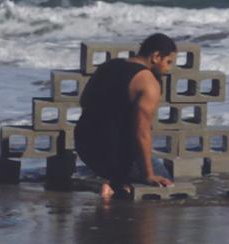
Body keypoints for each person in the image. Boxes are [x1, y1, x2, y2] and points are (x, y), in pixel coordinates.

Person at [74, 33, 178, 199]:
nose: (168, 69)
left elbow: (84, 101)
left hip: (84, 147)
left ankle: (114, 179)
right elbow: (141, 133)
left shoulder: (108, 66)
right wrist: (148, 175)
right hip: (113, 154)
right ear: (156, 56)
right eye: (168, 62)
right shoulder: (148, 82)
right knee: (166, 181)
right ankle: (114, 184)